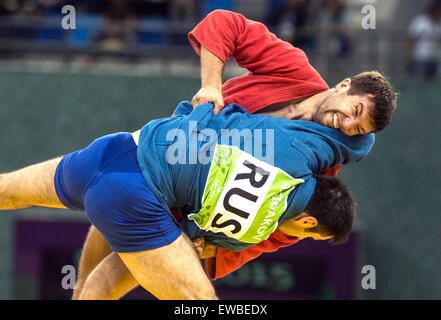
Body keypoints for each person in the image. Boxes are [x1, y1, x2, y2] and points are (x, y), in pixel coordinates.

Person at [73, 9, 397, 297]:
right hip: (164, 163)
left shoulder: (323, 165)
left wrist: (215, 248)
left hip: (188, 215)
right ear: (343, 85)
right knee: (90, 278)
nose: (346, 124)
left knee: (105, 284)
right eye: (354, 110)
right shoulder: (293, 70)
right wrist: (212, 84)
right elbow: (225, 23)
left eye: (357, 130)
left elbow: (278, 230)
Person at [0, 99, 373, 299]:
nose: (293, 238)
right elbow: (196, 241)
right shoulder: (259, 225)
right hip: (133, 198)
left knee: (8, 192)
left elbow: (356, 141)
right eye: (306, 236)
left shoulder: (295, 141)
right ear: (309, 220)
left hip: (118, 148)